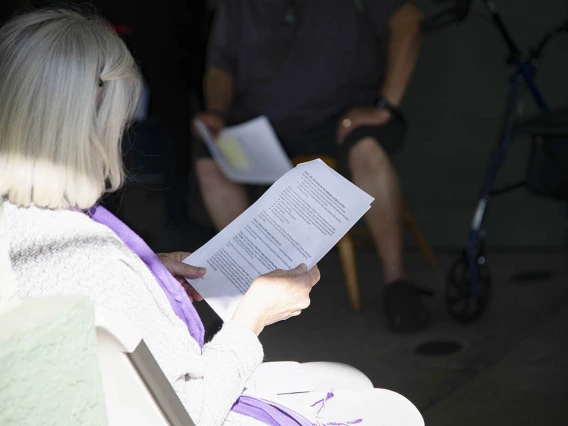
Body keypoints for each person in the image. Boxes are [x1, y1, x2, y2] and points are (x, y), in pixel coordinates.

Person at [0, 9, 423, 425]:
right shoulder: (98, 259)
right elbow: (189, 411)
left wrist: (145, 274)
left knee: (348, 379)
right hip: (182, 408)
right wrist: (251, 318)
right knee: (391, 409)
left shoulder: (32, 229)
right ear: (92, 126)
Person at [194, 0, 429, 332]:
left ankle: (397, 283)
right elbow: (221, 67)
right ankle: (252, 286)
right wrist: (216, 112)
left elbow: (408, 22)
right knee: (209, 153)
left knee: (367, 147)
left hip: (341, 117)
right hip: (263, 124)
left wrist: (385, 106)